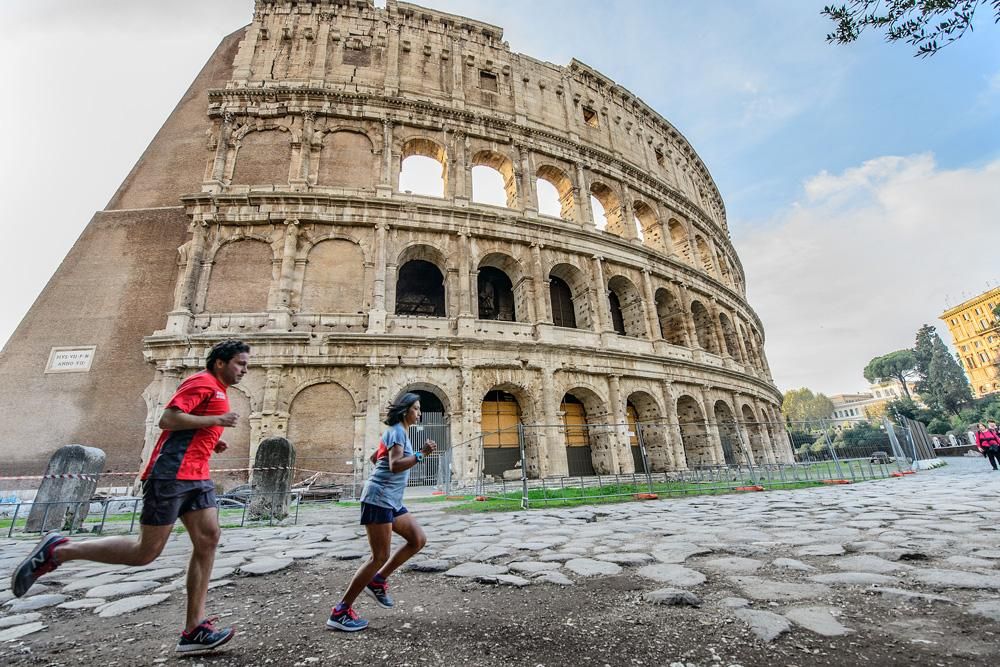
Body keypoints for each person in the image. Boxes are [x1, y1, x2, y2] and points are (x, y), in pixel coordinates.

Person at [10, 340, 250, 654]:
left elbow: (189, 425)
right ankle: (60, 550)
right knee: (145, 552)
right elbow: (168, 418)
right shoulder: (201, 381)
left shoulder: (219, 389)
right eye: (240, 363)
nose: (244, 369)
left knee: (209, 539)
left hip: (197, 475)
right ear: (220, 362)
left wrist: (212, 438)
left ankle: (194, 629)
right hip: (170, 475)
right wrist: (215, 422)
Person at [327, 392, 436, 632]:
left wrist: (393, 464)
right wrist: (421, 454)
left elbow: (375, 458)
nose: (419, 413)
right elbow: (395, 465)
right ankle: (341, 611)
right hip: (378, 500)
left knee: (417, 539)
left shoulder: (398, 433)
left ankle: (378, 580)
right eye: (416, 409)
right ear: (405, 410)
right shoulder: (397, 430)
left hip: (391, 500)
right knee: (378, 557)